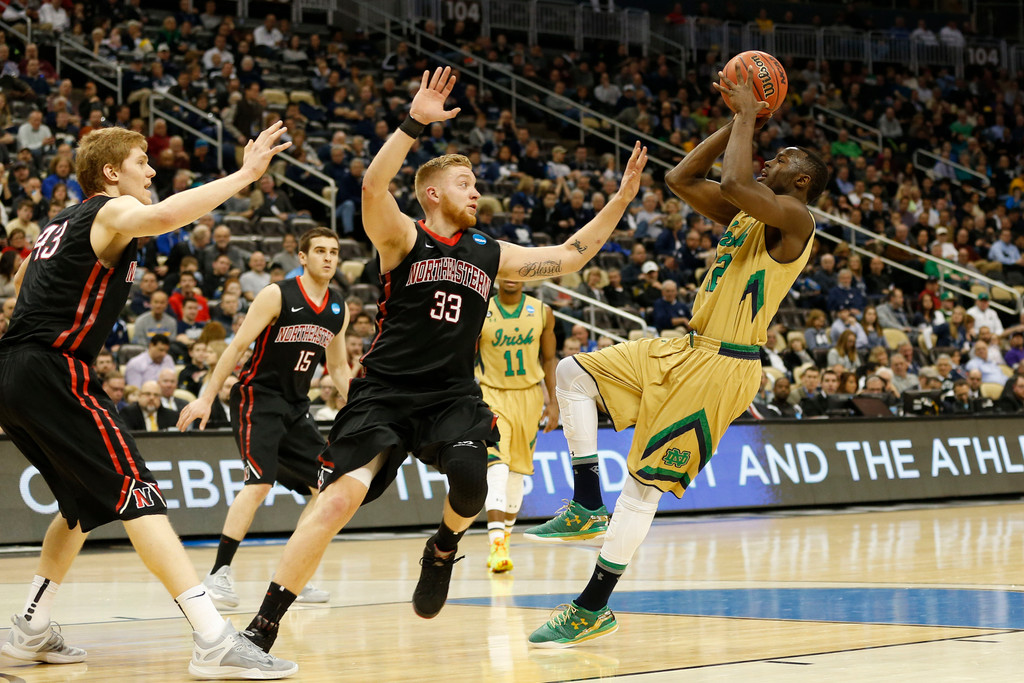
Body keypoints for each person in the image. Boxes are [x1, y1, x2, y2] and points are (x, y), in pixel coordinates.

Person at [241, 66, 647, 654]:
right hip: (383, 393)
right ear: (433, 193)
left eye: (476, 183)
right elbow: (373, 188)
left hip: (451, 396)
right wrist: (412, 123)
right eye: (465, 183)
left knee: (470, 487)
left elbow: (568, 256)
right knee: (335, 503)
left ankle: (442, 548)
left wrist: (619, 201)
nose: (476, 191)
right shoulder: (402, 236)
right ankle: (262, 629)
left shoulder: (488, 251)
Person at [526, 62, 827, 647]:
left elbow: (739, 183)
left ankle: (593, 606)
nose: (770, 158)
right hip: (683, 347)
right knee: (571, 372)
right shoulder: (748, 214)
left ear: (801, 182)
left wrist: (747, 116)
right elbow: (682, 178)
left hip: (725, 365)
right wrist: (736, 121)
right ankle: (586, 500)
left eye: (783, 158)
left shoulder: (794, 219)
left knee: (642, 486)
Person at [0, 124, 297, 677]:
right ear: (112, 173)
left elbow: (23, 275)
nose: (152, 169)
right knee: (139, 492)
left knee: (77, 507)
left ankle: (29, 626)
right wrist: (245, 174)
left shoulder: (60, 222)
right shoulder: (109, 211)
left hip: (14, 372)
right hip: (54, 368)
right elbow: (165, 218)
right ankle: (213, 638)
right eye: (142, 161)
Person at [177, 228, 349, 609]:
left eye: (334, 252)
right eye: (319, 251)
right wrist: (206, 396)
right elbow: (237, 346)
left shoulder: (339, 305)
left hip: (296, 407)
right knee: (259, 485)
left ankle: (294, 574)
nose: (328, 258)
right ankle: (218, 576)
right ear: (301, 257)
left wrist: (361, 408)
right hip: (258, 398)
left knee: (328, 487)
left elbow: (337, 367)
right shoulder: (277, 294)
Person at [475, 279, 557, 572]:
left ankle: (505, 542)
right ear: (497, 275)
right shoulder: (480, 308)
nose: (512, 276)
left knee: (517, 474)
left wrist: (554, 401)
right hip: (491, 396)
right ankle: (495, 545)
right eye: (506, 270)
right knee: (496, 466)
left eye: (519, 271)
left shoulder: (543, 312)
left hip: (530, 397)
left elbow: (549, 359)